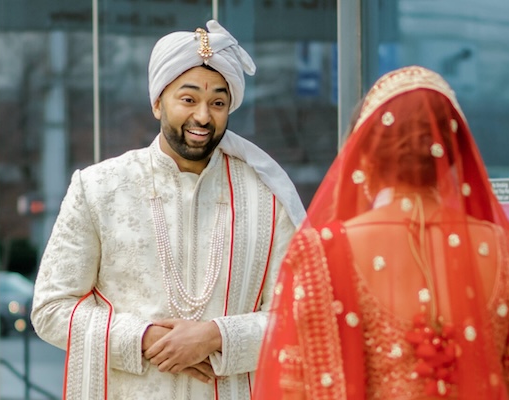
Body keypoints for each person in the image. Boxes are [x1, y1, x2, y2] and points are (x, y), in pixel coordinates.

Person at [31, 20, 305, 400]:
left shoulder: (268, 197)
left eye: (218, 103)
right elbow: (51, 309)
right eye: (188, 99)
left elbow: (299, 317)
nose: (204, 117)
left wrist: (215, 336)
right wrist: (145, 339)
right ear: (158, 102)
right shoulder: (99, 188)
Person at [254, 66, 509, 399]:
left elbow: (292, 387)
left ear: (365, 156)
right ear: (451, 157)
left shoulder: (321, 254)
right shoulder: (501, 250)